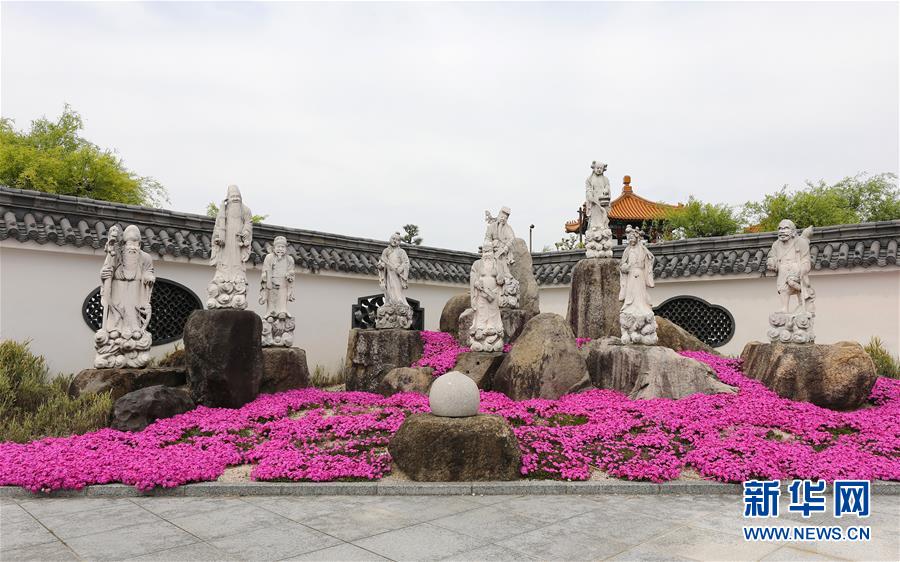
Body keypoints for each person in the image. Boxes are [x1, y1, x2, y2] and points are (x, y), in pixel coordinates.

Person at [208, 184, 253, 308]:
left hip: (238, 241)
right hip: (226, 242)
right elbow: (218, 225)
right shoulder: (224, 210)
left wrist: (245, 233)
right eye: (232, 196)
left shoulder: (245, 210)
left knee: (237, 263)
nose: (235, 199)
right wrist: (218, 237)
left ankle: (236, 281)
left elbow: (249, 223)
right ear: (228, 197)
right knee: (224, 262)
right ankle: (223, 280)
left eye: (237, 196)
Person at [766, 219, 815, 314]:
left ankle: (804, 299)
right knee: (783, 289)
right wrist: (771, 261)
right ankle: (784, 307)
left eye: (786, 228)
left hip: (797, 268)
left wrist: (803, 269)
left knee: (793, 283)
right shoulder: (776, 245)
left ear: (793, 231)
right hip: (783, 269)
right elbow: (772, 255)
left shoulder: (801, 242)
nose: (782, 231)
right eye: (780, 228)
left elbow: (805, 259)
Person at [259, 236, 295, 319]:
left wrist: (289, 275)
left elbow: (291, 271)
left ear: (286, 249)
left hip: (283, 283)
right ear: (274, 248)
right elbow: (266, 270)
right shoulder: (269, 257)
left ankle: (283, 311)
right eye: (278, 247)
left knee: (282, 297)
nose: (280, 249)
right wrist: (268, 278)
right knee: (272, 298)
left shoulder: (289, 259)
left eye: (282, 247)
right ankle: (271, 312)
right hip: (271, 283)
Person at [378, 232, 411, 308]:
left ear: (399, 242)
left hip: (397, 273)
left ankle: (398, 300)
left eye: (397, 240)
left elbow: (406, 262)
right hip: (389, 272)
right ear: (390, 239)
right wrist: (381, 266)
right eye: (393, 239)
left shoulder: (401, 252)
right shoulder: (386, 251)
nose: (395, 241)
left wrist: (400, 268)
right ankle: (389, 301)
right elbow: (382, 261)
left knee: (397, 287)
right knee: (390, 287)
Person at [585, 161, 611, 231]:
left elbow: (607, 187)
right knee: (595, 212)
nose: (599, 170)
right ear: (594, 168)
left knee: (602, 212)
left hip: (602, 198)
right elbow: (588, 188)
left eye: (601, 168)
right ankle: (594, 225)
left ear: (603, 169)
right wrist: (589, 194)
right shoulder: (589, 179)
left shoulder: (605, 179)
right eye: (597, 168)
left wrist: (606, 190)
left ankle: (602, 224)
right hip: (594, 198)